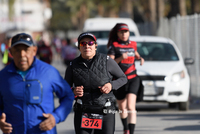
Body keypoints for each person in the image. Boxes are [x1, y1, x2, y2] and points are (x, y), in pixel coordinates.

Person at [0, 33, 74, 134]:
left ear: (34, 51)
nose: (22, 55)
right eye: (17, 50)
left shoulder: (49, 72)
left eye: (26, 50)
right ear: (11, 52)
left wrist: (56, 117)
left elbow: (68, 95)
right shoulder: (3, 76)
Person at [64, 32, 127, 134]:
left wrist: (111, 85)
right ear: (79, 47)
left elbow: (123, 78)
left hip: (105, 109)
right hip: (83, 110)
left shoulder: (107, 61)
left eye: (90, 43)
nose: (87, 46)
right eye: (83, 44)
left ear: (95, 46)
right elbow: (64, 88)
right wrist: (73, 91)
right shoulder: (72, 65)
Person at [107, 23, 144, 134]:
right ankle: (125, 128)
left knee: (130, 106)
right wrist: (120, 58)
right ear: (118, 33)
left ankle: (131, 132)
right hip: (119, 80)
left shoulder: (133, 44)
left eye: (126, 32)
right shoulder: (114, 46)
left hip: (133, 78)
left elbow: (135, 54)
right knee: (122, 107)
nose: (124, 34)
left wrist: (140, 58)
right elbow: (110, 64)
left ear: (128, 33)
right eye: (121, 32)